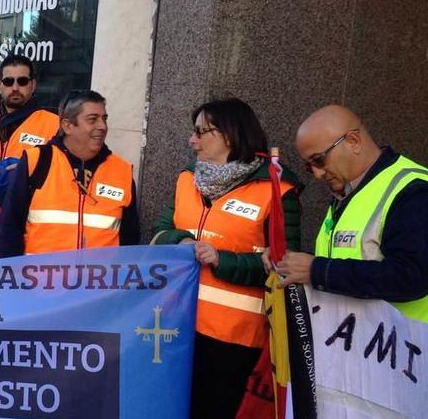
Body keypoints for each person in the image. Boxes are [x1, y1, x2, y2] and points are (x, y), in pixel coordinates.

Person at [152, 98, 302, 418]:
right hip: (178, 326)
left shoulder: (277, 189)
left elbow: (285, 266)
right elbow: (160, 233)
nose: (192, 140)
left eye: (199, 132)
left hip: (235, 339)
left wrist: (223, 260)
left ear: (228, 136)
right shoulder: (186, 180)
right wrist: (183, 241)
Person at [273, 105, 428, 322]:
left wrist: (317, 270)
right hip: (362, 346)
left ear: (353, 141)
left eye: (319, 160)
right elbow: (347, 256)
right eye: (309, 167)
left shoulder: (413, 189)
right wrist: (293, 263)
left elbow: (413, 276)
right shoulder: (349, 189)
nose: (317, 174)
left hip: (405, 348)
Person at [0, 90, 140, 256]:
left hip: (99, 281)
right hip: (40, 280)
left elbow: (130, 238)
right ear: (68, 126)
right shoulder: (36, 161)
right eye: (92, 119)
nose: (102, 126)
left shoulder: (121, 170)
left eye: (104, 119)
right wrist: (16, 276)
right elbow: (9, 228)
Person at [0, 54, 58, 169]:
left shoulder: (54, 124)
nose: (15, 88)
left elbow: (62, 170)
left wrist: (31, 169)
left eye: (22, 81)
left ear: (33, 85)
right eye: (8, 81)